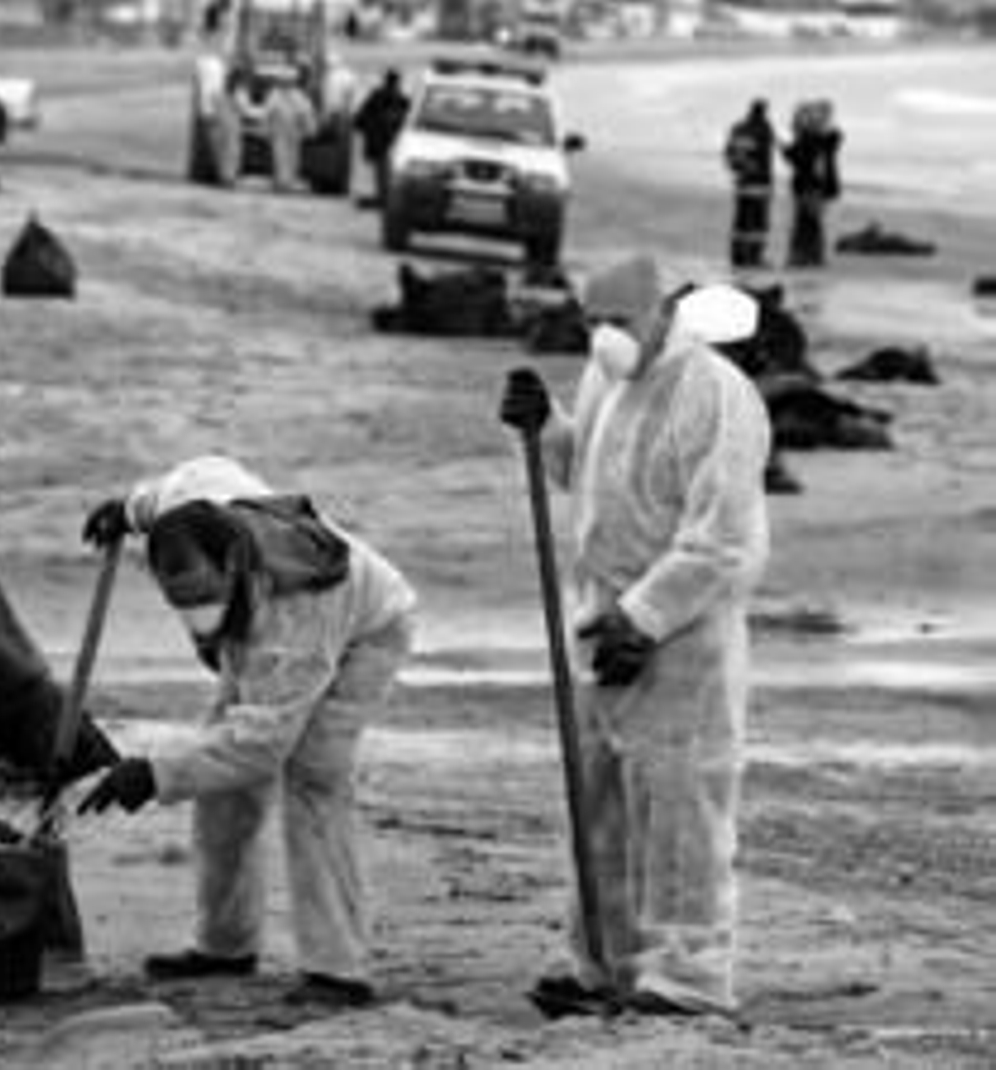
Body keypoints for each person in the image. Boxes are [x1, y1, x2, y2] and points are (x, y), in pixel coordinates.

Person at [497, 256, 771, 1019]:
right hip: (600, 622)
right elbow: (587, 473)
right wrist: (544, 427)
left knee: (680, 809)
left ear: (664, 312)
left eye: (619, 321)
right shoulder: (607, 377)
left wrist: (647, 617)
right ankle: (601, 961)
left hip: (684, 637)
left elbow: (723, 536)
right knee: (601, 804)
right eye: (594, 322)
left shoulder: (716, 393)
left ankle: (687, 974)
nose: (604, 336)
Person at [76, 455, 418, 1009]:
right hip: (253, 630)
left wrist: (156, 775)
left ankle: (338, 968)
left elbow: (260, 747)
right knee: (222, 787)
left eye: (204, 597)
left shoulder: (296, 612)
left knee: (314, 775)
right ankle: (225, 945)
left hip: (367, 632)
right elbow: (185, 478)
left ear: (233, 562)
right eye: (182, 602)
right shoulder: (191, 502)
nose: (196, 615)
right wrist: (129, 510)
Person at [782, 100, 843, 268]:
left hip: (811, 185)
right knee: (808, 221)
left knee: (809, 221)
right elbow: (799, 159)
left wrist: (788, 151)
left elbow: (804, 160)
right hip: (808, 185)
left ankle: (806, 256)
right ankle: (810, 256)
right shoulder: (811, 138)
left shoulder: (816, 138)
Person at [723, 99, 775, 269]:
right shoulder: (764, 129)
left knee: (741, 222)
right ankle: (753, 257)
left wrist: (739, 170)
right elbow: (766, 156)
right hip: (760, 183)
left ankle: (737, 256)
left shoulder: (738, 128)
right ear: (764, 112)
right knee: (758, 223)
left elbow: (728, 153)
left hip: (742, 182)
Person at [353, 68, 410, 207]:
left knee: (380, 169)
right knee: (386, 168)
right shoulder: (402, 100)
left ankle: (381, 196)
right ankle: (384, 196)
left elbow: (360, 117)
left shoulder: (377, 95)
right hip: (392, 140)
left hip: (377, 140)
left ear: (386, 80)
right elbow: (405, 119)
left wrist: (364, 128)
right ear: (397, 82)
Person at [264, 69, 318, 192]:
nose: (286, 84)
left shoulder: (297, 96)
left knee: (292, 157)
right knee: (280, 156)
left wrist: (309, 128)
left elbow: (306, 113)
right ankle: (282, 182)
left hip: (293, 131)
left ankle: (287, 182)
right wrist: (267, 130)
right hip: (279, 130)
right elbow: (267, 114)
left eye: (288, 82)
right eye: (284, 81)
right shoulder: (275, 95)